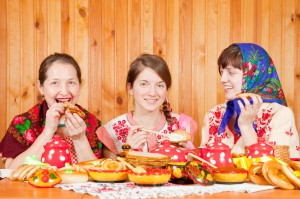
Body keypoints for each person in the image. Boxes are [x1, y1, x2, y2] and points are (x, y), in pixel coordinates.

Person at [0, 53, 103, 169]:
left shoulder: (95, 124)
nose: (64, 92)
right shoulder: (22, 123)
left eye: (71, 83)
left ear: (80, 85)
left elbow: (97, 175)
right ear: (41, 87)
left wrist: (80, 139)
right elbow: (11, 171)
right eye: (55, 83)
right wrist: (47, 132)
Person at [201, 43, 300, 159]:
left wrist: (246, 126)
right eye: (222, 72)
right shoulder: (213, 114)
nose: (222, 79)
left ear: (253, 75)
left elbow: (272, 171)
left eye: (231, 72)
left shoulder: (280, 115)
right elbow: (203, 167)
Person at [97, 54, 198, 159]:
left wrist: (187, 158)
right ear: (130, 88)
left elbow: (194, 171)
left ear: (166, 90)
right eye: (144, 84)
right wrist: (128, 152)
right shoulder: (112, 130)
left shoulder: (183, 125)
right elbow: (110, 173)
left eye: (160, 85)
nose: (152, 93)